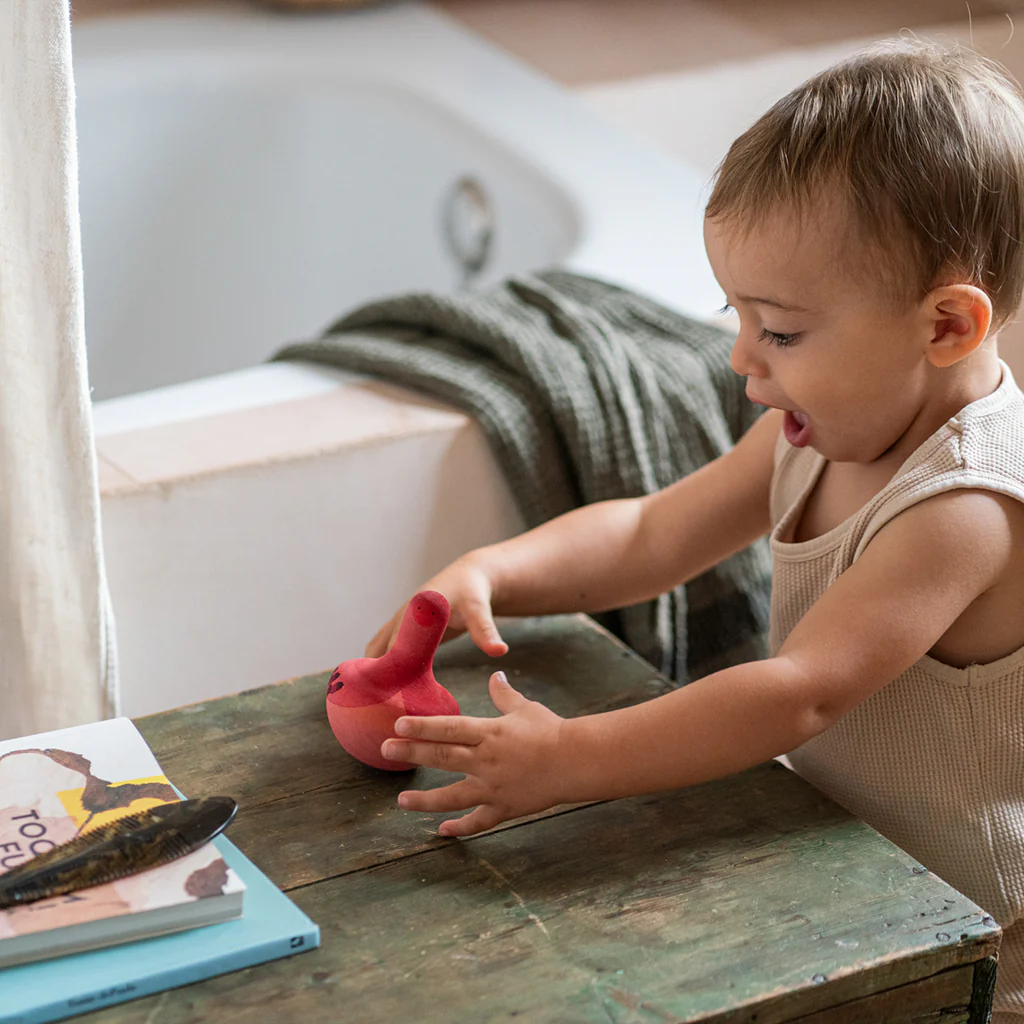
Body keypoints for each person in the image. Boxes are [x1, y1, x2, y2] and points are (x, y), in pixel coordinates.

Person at [366, 40, 1024, 1018]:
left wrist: (573, 758)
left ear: (945, 328)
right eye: (737, 316)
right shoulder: (815, 432)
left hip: (968, 928)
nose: (740, 358)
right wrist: (495, 569)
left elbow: (799, 694)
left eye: (781, 330)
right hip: (838, 856)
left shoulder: (965, 508)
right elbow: (651, 534)